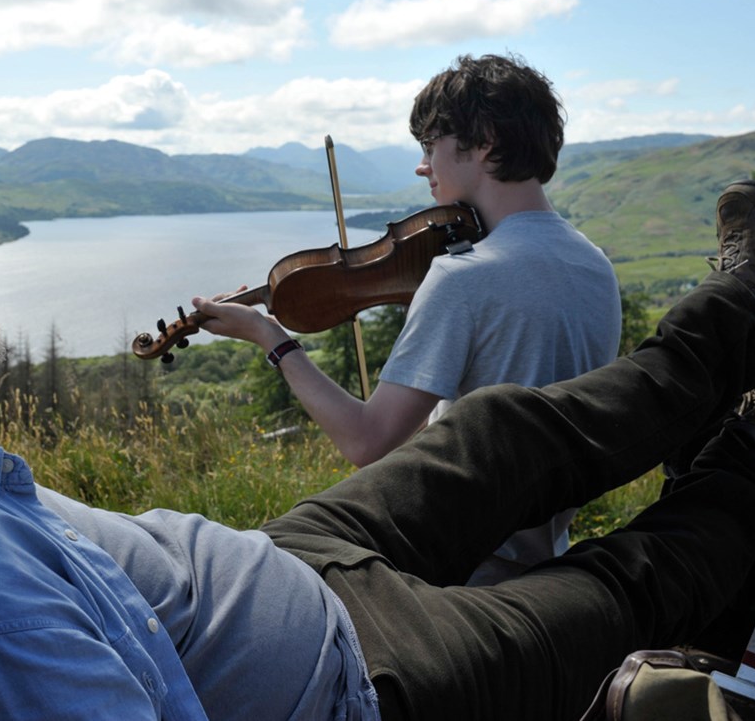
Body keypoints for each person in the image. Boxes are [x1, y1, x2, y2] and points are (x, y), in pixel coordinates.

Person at [0, 99, 755, 721]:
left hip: (284, 564)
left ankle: (738, 320)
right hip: (363, 680)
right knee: (620, 586)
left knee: (499, 430)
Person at [193, 53, 622, 584]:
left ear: (484, 140)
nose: (423, 167)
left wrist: (270, 337)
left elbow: (367, 441)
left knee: (238, 560)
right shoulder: (595, 266)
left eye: (430, 146)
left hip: (445, 565)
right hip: (542, 560)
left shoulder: (464, 276)